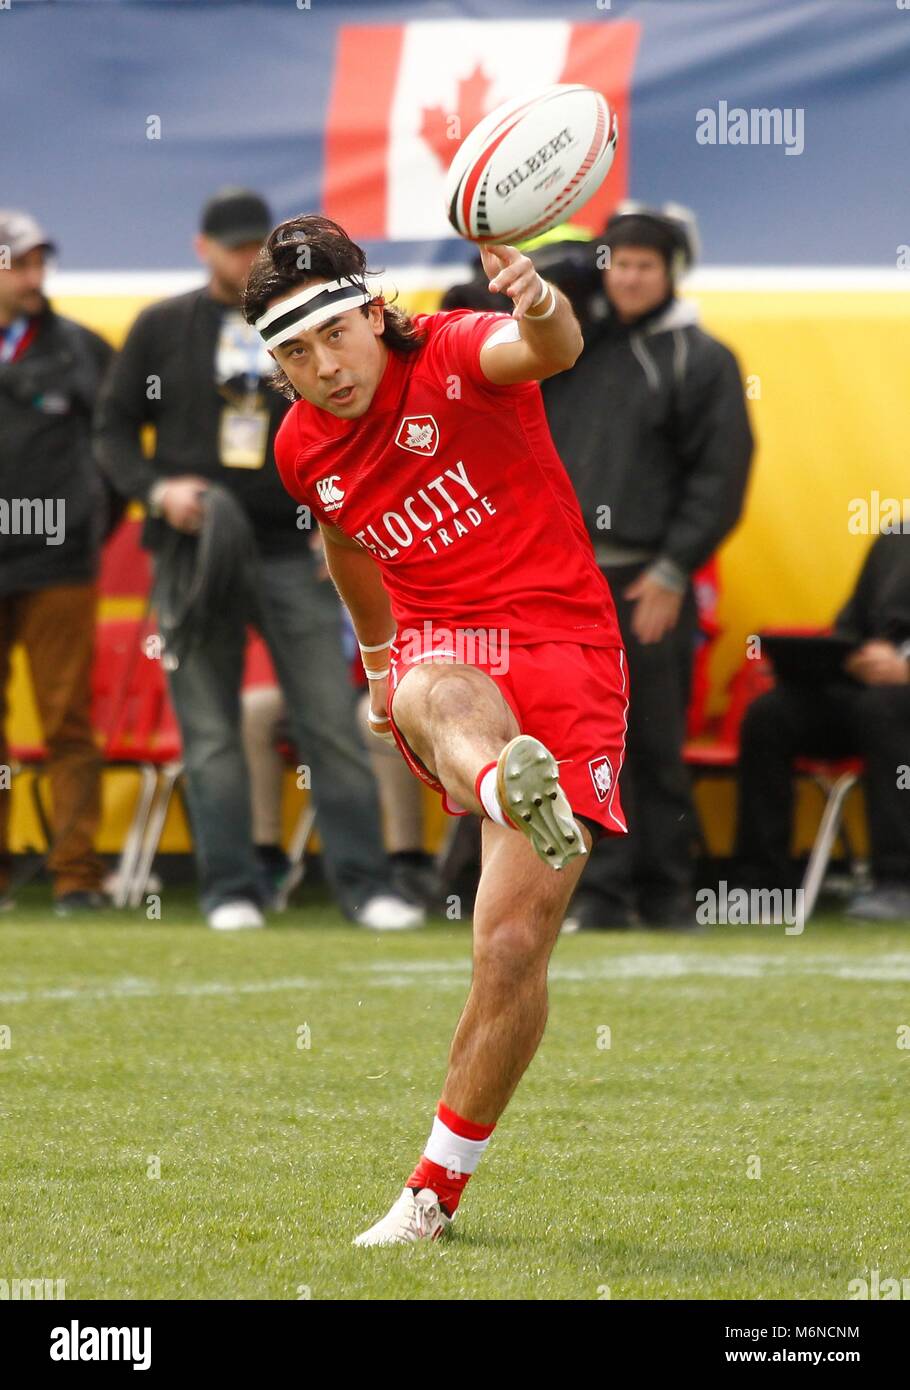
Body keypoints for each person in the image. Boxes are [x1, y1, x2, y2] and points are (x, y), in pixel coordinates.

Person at [242, 214, 629, 1244]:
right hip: (445, 646)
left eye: (335, 336)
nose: (323, 368)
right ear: (276, 367)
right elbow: (345, 538)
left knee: (509, 945)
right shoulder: (298, 445)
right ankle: (504, 787)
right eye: (294, 354)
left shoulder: (456, 347)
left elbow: (544, 350)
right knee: (437, 690)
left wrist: (538, 299)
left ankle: (436, 1188)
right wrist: (377, 666)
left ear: (375, 313)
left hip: (568, 647)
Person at [95, 190, 420, 932]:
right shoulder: (161, 326)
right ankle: (230, 889)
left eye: (255, 248)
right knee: (208, 730)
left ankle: (368, 887)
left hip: (292, 547)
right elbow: (112, 431)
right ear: (200, 247)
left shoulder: (301, 323)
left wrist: (336, 520)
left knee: (333, 722)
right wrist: (156, 489)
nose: (244, 259)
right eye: (231, 246)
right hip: (192, 551)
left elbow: (350, 419)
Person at [540, 203, 754, 928]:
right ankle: (594, 895)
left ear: (671, 274)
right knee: (576, 742)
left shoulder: (703, 359)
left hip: (646, 584)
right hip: (564, 583)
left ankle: (666, 892)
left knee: (654, 739)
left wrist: (671, 573)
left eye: (644, 266)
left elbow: (719, 480)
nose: (629, 278)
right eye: (617, 264)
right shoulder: (570, 348)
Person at [0, 210, 113, 915]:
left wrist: (87, 527)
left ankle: (77, 877)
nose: (36, 278)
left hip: (59, 563)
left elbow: (119, 448)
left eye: (41, 263)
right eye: (21, 264)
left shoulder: (82, 350)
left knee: (67, 721)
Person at [736, 530, 910, 922]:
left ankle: (898, 881)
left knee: (883, 708)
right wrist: (844, 659)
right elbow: (849, 629)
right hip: (868, 695)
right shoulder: (896, 542)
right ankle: (764, 884)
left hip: (892, 705)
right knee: (770, 715)